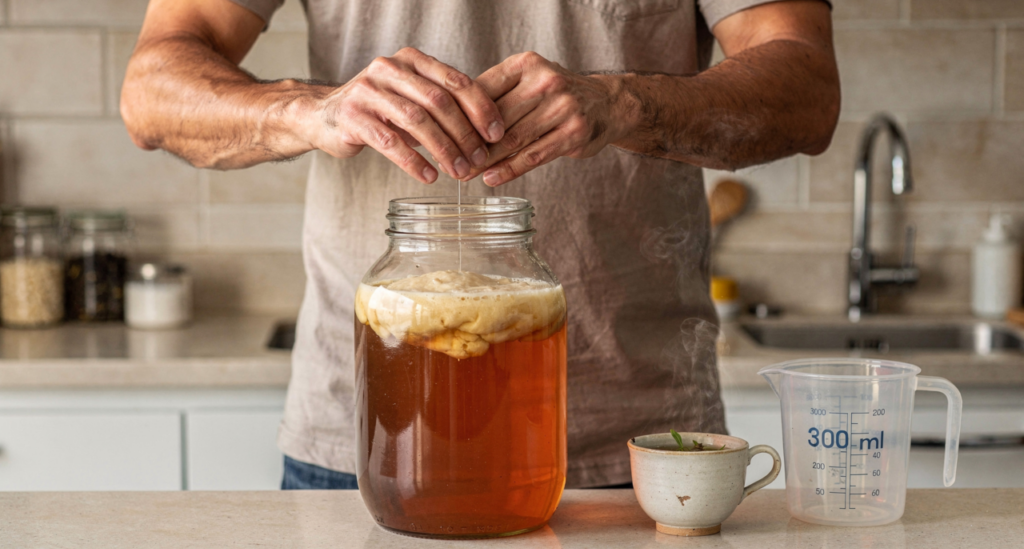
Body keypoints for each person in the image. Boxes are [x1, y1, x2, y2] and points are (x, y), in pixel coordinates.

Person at [122, 0, 840, 489]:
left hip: (637, 445)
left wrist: (625, 100)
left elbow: (807, 90)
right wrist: (311, 108)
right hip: (367, 437)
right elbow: (152, 90)